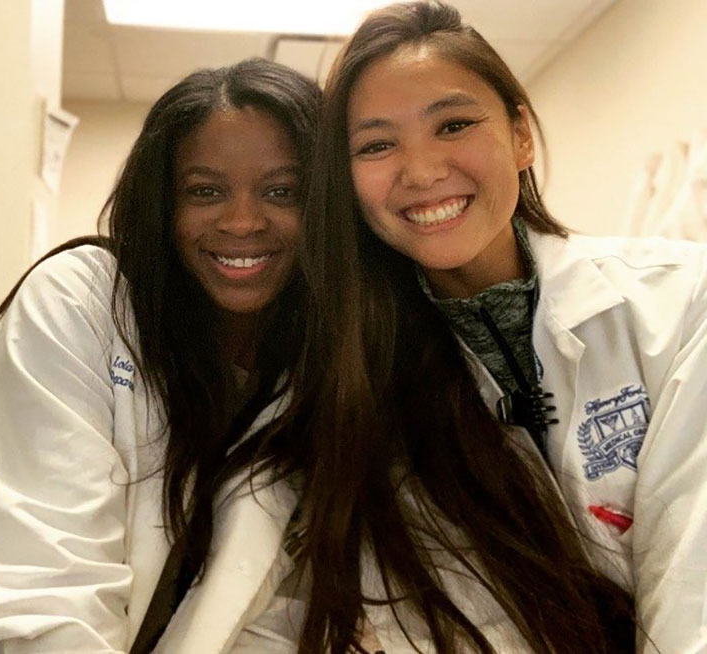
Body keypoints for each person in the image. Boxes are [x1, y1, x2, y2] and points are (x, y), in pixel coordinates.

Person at [272, 1, 707, 653]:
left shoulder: (680, 299)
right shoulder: (350, 380)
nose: (422, 171)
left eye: (453, 124)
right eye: (377, 145)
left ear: (520, 133)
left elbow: (694, 581)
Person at [0, 58, 320, 653]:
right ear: (162, 204)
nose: (242, 221)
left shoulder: (335, 359)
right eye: (205, 191)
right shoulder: (82, 303)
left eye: (282, 191)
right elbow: (40, 590)